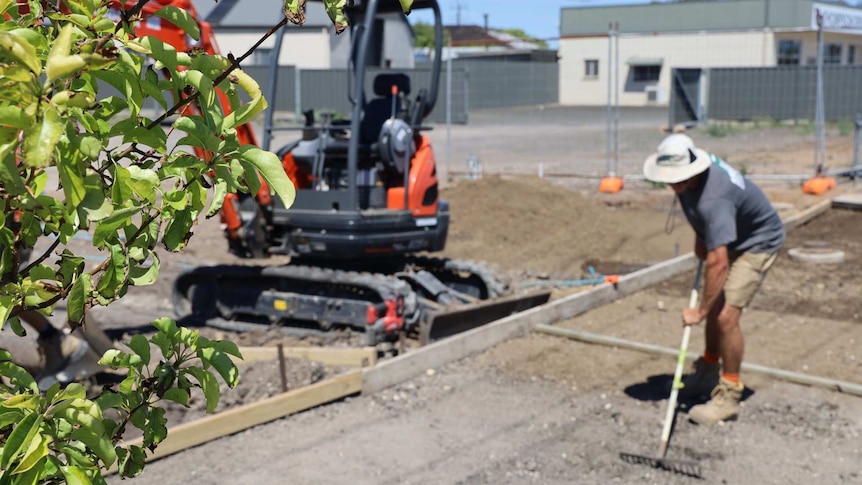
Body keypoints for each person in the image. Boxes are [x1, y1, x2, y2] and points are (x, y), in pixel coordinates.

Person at [642, 133, 785, 425]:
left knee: (723, 317)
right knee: (715, 305)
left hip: (757, 242)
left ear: (691, 171)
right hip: (731, 235)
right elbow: (698, 212)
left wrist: (702, 310)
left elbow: (717, 263)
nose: (673, 185)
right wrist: (701, 235)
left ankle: (729, 394)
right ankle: (707, 372)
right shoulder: (689, 175)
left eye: (677, 179)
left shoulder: (714, 198)